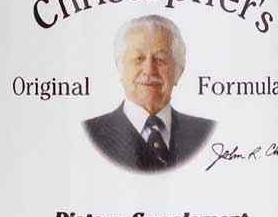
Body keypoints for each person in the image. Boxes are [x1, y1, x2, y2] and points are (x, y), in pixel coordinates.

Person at [84, 15, 216, 172]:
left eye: (160, 59)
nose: (149, 70)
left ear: (178, 71)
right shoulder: (90, 134)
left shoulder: (206, 133)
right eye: (138, 58)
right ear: (121, 69)